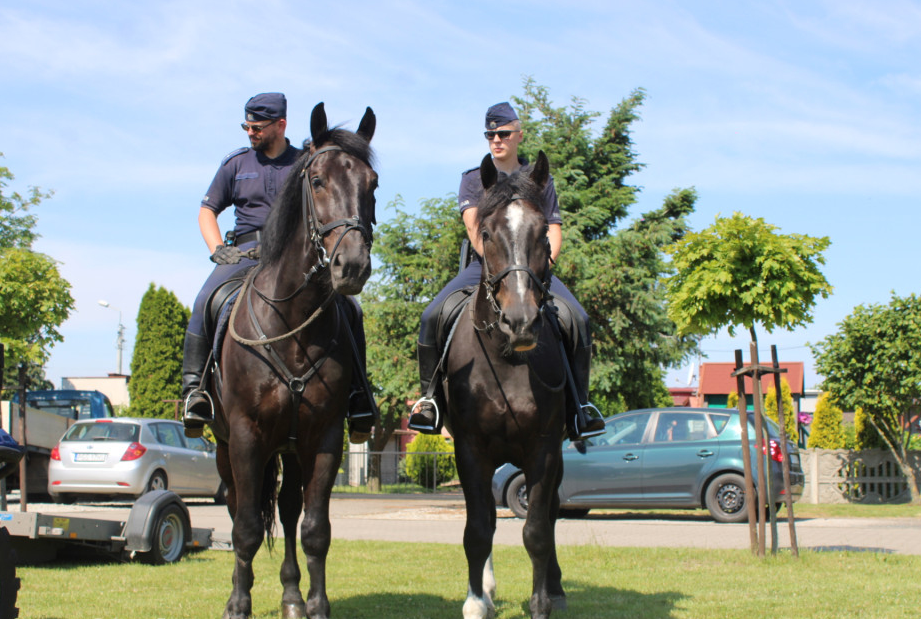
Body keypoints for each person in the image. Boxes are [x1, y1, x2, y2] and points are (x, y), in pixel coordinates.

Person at [408, 101, 605, 440]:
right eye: (490, 135)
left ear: (518, 135)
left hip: (534, 267)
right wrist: (503, 267)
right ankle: (430, 402)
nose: (495, 140)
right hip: (485, 266)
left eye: (502, 133)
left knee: (580, 319)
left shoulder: (539, 179)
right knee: (432, 314)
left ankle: (579, 408)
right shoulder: (473, 180)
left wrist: (539, 269)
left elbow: (554, 229)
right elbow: (475, 230)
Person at [181, 92, 375, 436]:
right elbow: (207, 211)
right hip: (240, 255)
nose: (250, 132)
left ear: (280, 124)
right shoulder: (235, 164)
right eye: (247, 126)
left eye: (256, 126)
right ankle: (195, 392)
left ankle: (359, 395)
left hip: (291, 256)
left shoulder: (306, 161)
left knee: (351, 309)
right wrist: (216, 249)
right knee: (204, 300)